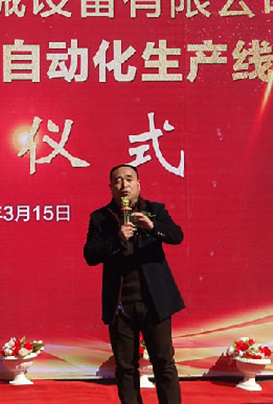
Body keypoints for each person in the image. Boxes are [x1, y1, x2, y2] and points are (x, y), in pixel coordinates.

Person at [84, 164, 184, 404]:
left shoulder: (154, 210)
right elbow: (90, 255)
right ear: (111, 187)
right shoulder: (100, 218)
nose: (124, 185)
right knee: (126, 367)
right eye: (118, 180)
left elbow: (177, 235)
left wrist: (153, 227)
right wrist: (117, 239)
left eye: (129, 179)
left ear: (138, 184)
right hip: (120, 305)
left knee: (164, 363)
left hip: (155, 302)